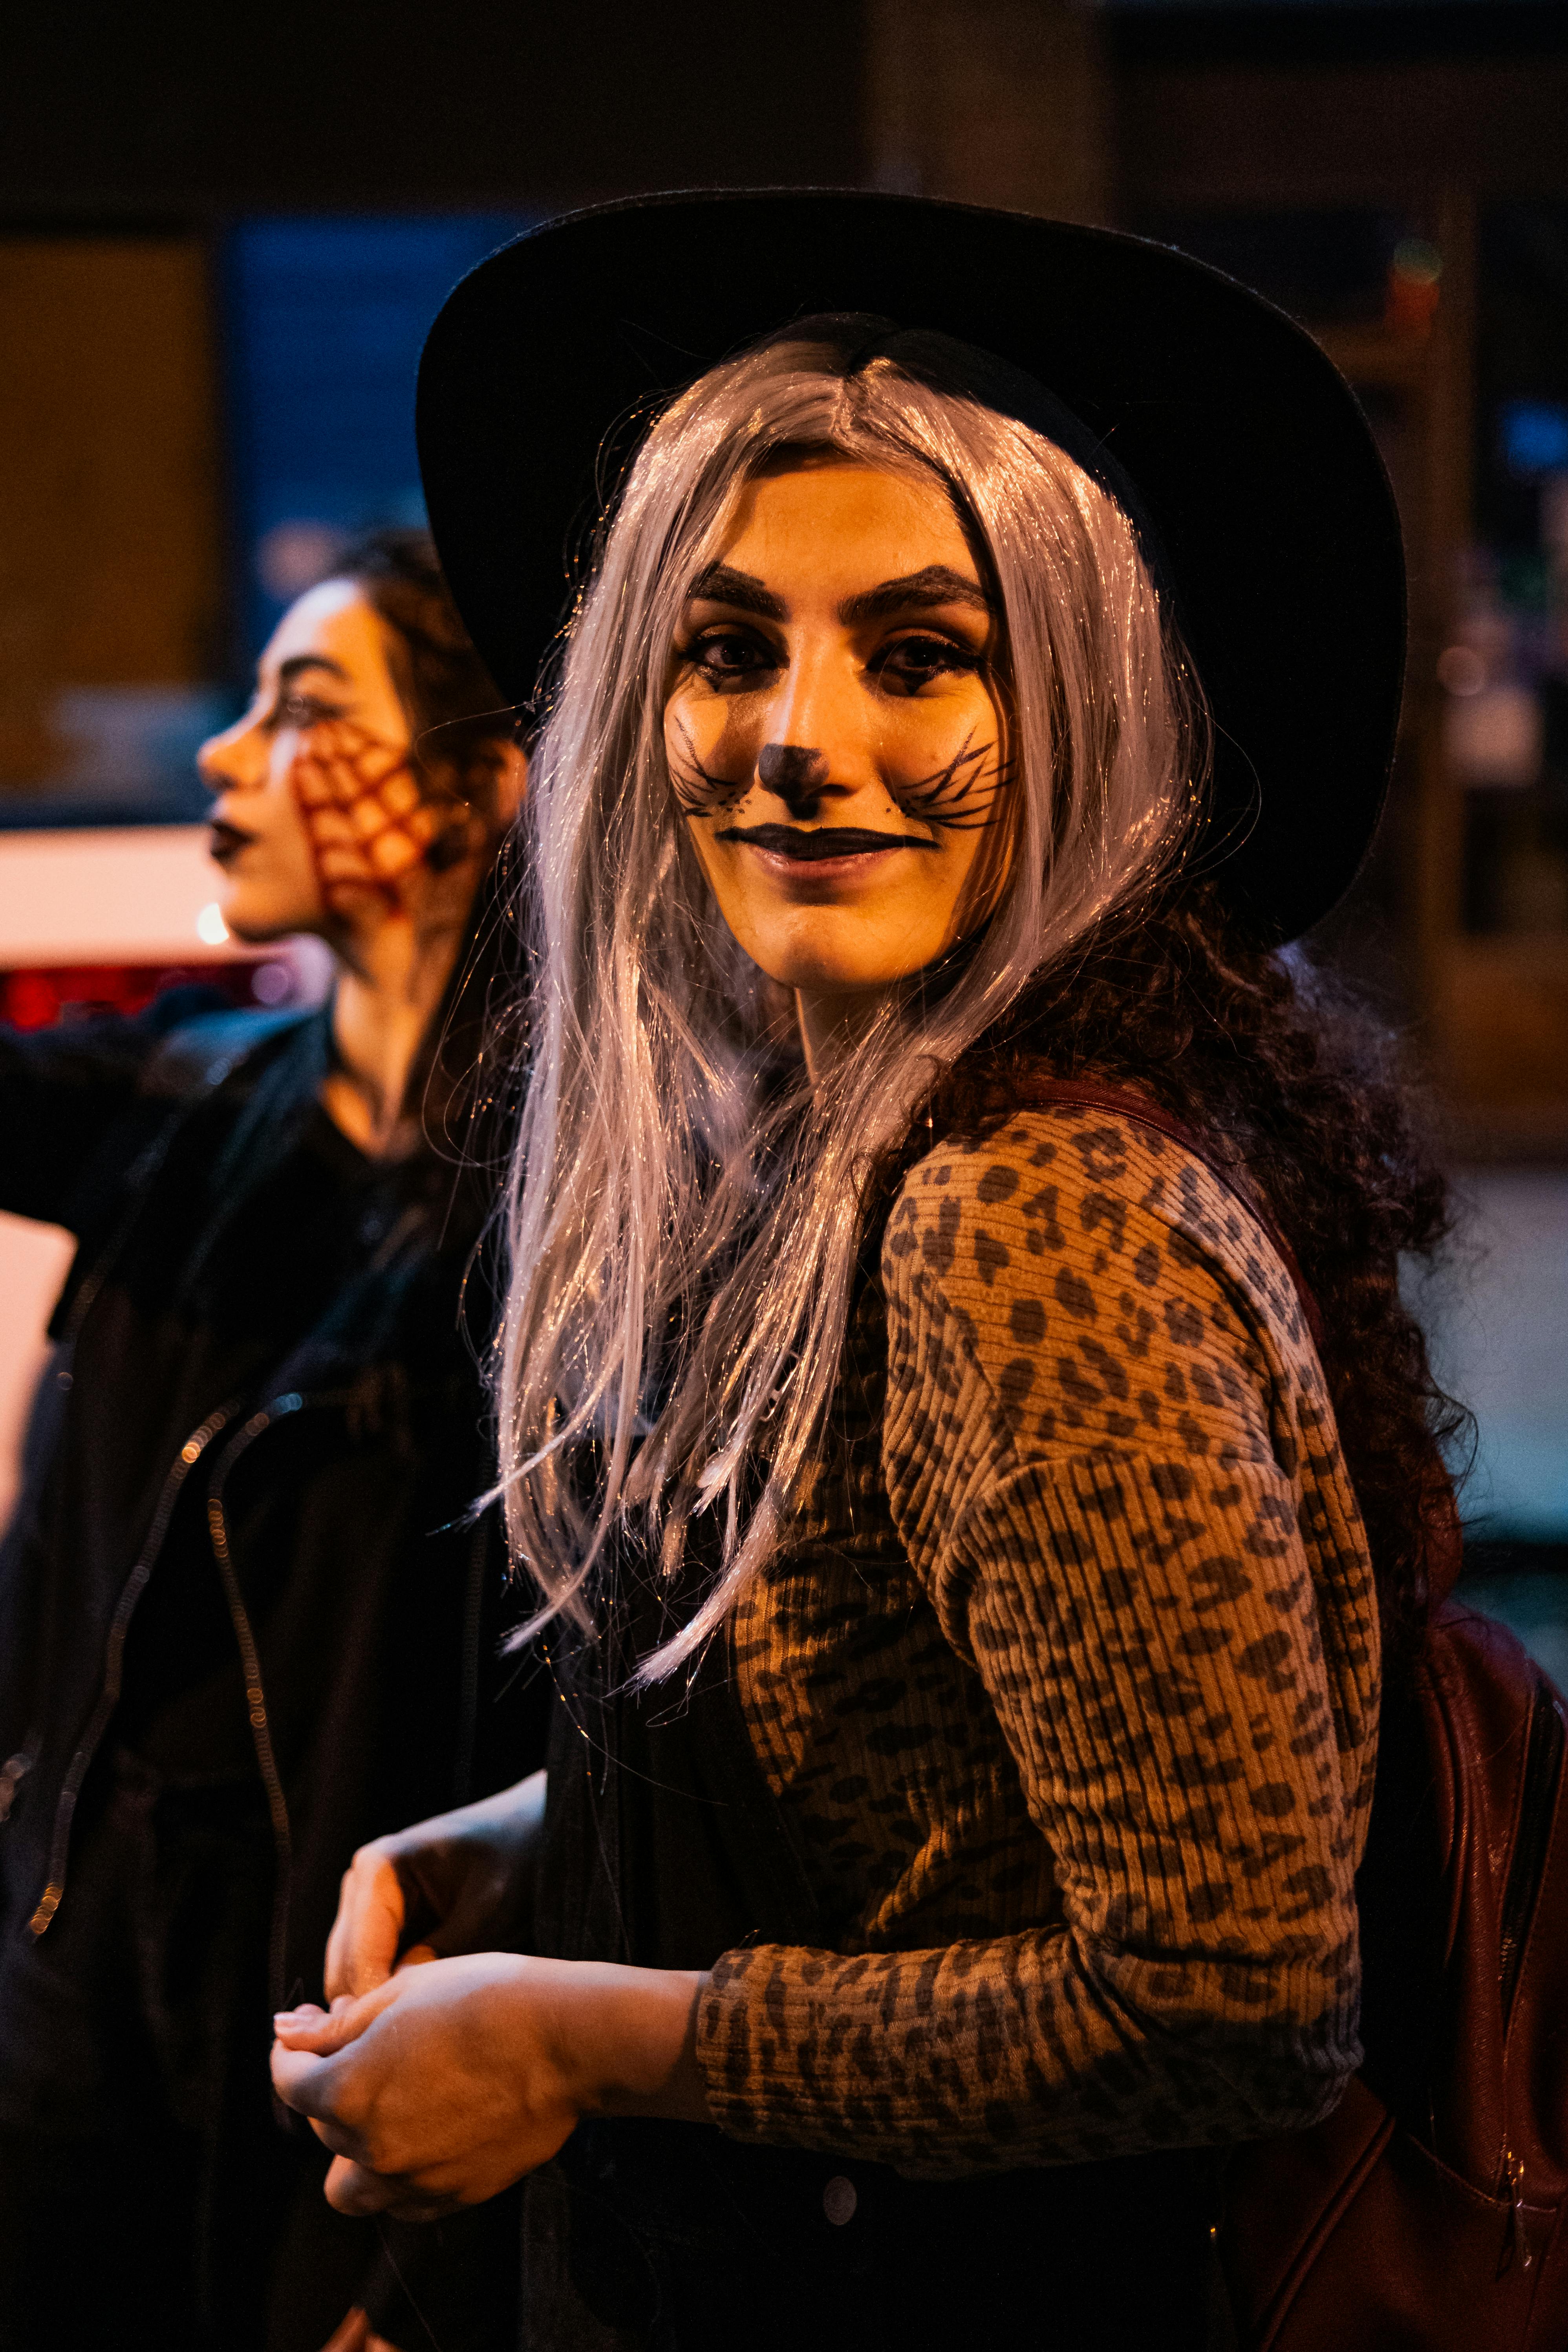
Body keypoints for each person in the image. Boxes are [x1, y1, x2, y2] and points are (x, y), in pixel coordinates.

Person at [272, 199, 1459, 2349]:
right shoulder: (833, 1135)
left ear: (1082, 702)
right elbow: (931, 1771)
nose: (796, 735)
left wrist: (581, 2035)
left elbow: (1228, 1997)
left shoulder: (1026, 1213)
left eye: (918, 653)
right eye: (726, 648)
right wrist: (539, 1846)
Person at [0, 530, 543, 2352]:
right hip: (71, 2006)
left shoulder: (561, 1226)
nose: (230, 757)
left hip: (320, 2054)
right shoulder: (190, 1106)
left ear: (486, 787)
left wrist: (419, 2271)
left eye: (303, 713)